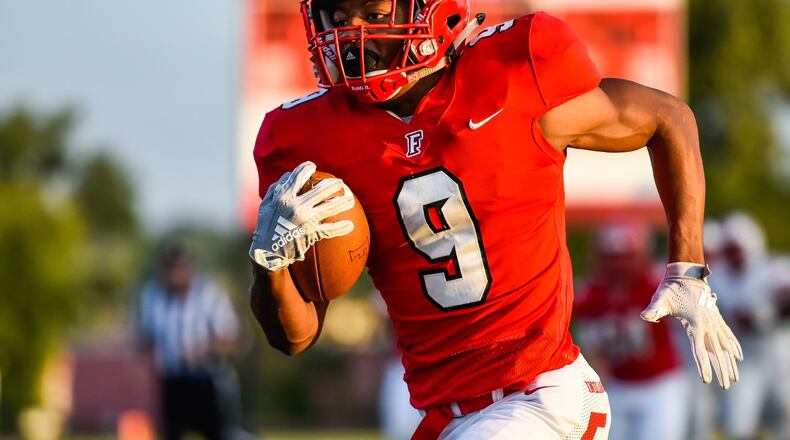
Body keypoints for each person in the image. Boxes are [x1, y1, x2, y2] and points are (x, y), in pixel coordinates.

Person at [246, 0, 743, 438]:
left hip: (542, 397)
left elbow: (668, 118)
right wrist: (268, 263)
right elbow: (294, 336)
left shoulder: (514, 70)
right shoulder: (305, 142)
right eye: (337, 15)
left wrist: (689, 270)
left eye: (374, 14)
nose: (351, 35)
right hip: (447, 418)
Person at [574, 222, 690, 440]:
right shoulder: (592, 293)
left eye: (624, 257)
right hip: (618, 385)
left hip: (659, 383)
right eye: (611, 258)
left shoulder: (656, 285)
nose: (618, 265)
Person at [135, 244, 242, 440]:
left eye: (179, 269)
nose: (174, 275)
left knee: (218, 432)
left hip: (206, 378)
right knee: (172, 432)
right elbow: (143, 338)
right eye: (170, 269)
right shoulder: (153, 296)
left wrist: (204, 350)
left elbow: (231, 338)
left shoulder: (208, 294)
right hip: (172, 380)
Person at [710, 213, 787, 440]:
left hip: (780, 358)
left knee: (784, 416)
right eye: (729, 249)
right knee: (738, 424)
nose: (733, 255)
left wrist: (766, 316)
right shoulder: (718, 276)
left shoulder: (774, 268)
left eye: (737, 248)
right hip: (744, 361)